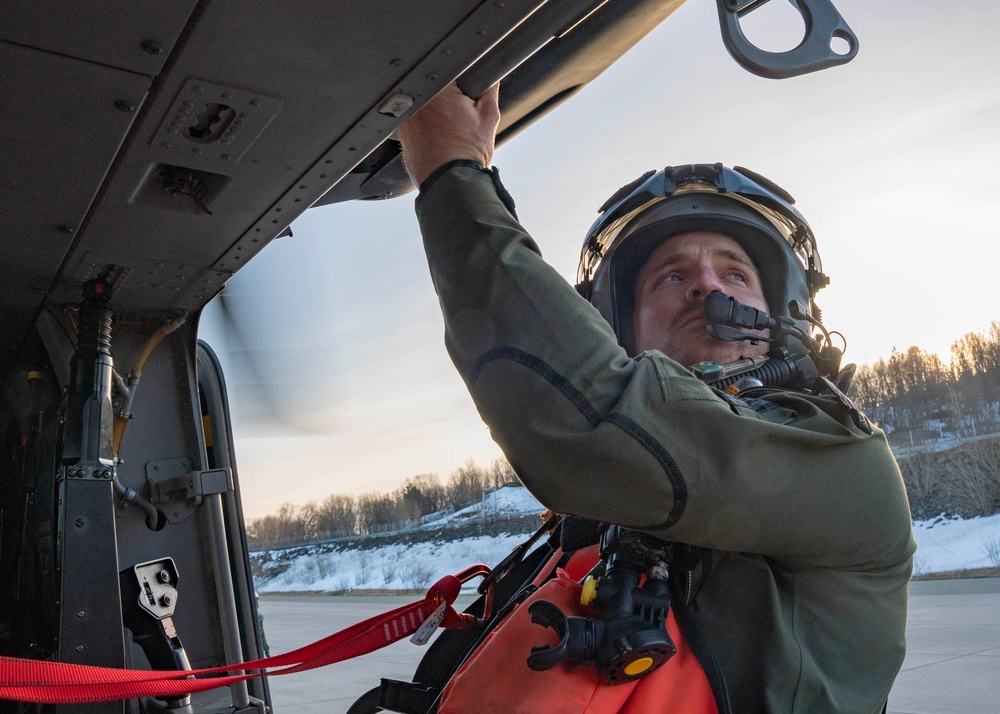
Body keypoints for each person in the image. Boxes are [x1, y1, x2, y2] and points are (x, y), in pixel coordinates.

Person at [395, 83, 915, 713]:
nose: (703, 285)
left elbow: (595, 412)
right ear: (623, 328)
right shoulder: (600, 515)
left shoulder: (841, 463)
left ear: (786, 313)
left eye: (734, 272)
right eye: (671, 275)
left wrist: (453, 173)